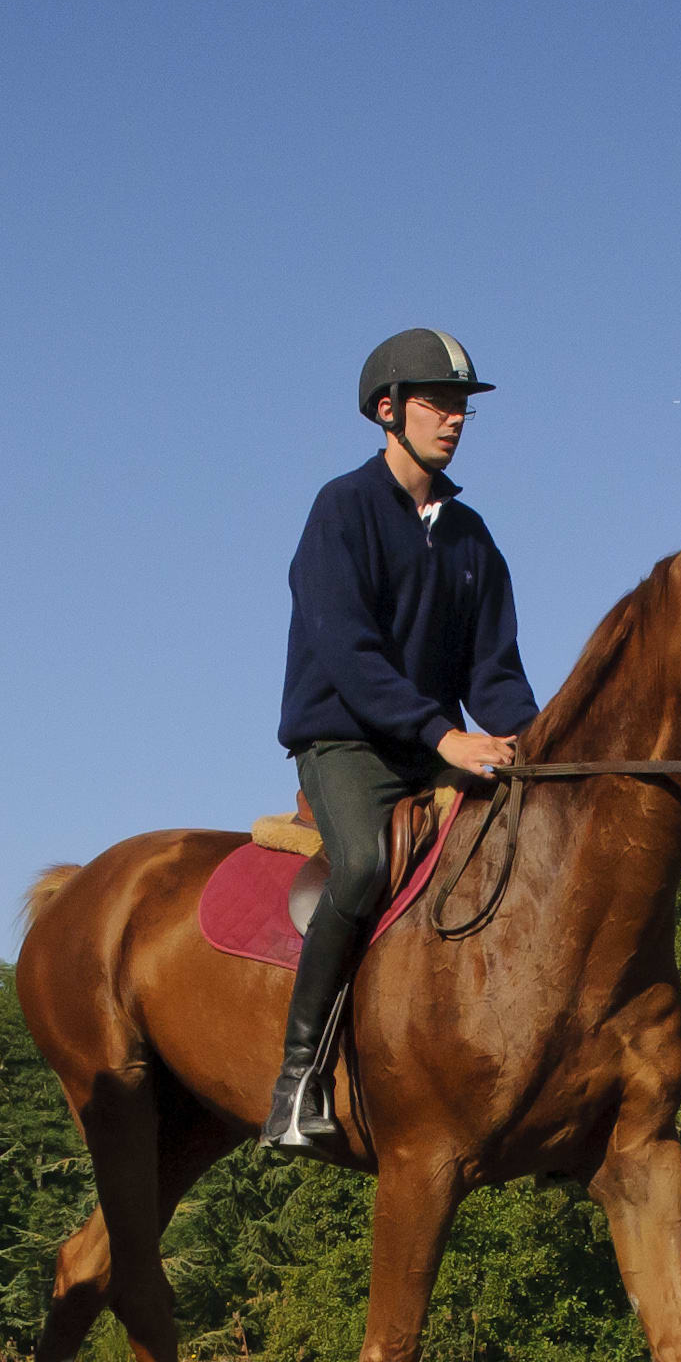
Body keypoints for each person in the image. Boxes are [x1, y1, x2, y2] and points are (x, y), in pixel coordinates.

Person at [262, 329, 543, 1149]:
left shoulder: (472, 538)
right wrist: (442, 735)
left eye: (462, 406)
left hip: (433, 745)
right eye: (437, 403)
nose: (453, 419)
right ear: (387, 410)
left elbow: (495, 672)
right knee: (363, 864)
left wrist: (537, 744)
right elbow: (348, 654)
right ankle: (297, 1081)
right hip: (345, 745)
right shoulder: (340, 510)